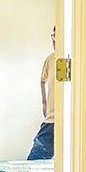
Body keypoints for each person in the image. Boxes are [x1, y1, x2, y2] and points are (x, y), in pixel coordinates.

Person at [27, 27, 55, 160]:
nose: (54, 40)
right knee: (35, 157)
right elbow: (42, 80)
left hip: (69, 120)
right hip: (51, 118)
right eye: (53, 36)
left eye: (57, 36)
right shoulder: (51, 59)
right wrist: (44, 103)